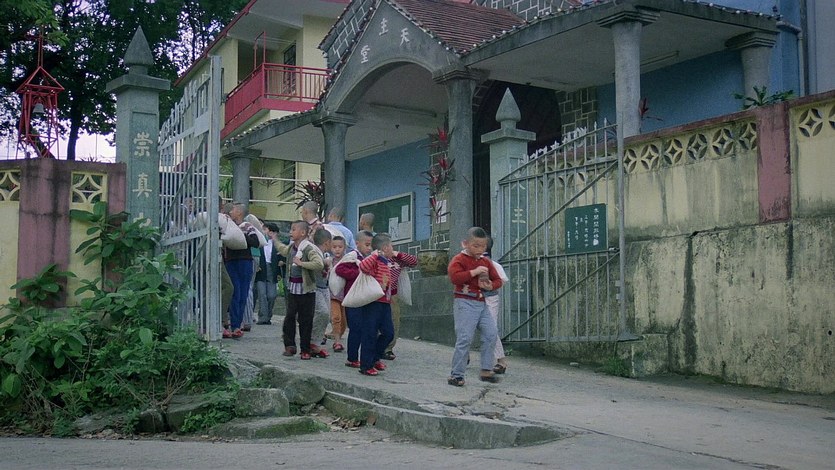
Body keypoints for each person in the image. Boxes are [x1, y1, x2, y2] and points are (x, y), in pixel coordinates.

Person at [446, 227, 503, 386]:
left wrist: (491, 285)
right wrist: (474, 272)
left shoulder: (486, 261)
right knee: (465, 338)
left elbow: (498, 280)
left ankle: (486, 370)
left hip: (481, 302)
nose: (480, 249)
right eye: (476, 246)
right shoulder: (459, 259)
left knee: (491, 333)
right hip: (464, 302)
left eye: (483, 246)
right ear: (466, 244)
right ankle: (456, 375)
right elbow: (454, 278)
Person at [275, 220, 325, 360]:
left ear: (303, 233)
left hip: (306, 290)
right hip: (293, 288)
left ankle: (305, 349)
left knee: (306, 320)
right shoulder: (292, 247)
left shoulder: (308, 248)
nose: (291, 232)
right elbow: (283, 250)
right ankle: (290, 345)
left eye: (293, 229)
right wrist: (275, 240)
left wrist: (302, 263)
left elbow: (319, 264)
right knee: (290, 317)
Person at [354, 233, 398, 377]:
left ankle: (375, 357)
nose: (392, 249)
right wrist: (374, 255)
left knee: (388, 333)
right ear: (385, 247)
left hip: (385, 303)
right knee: (370, 333)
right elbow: (363, 267)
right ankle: (366, 365)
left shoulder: (386, 262)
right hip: (373, 302)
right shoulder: (375, 260)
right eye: (391, 246)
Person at [334, 230, 374, 368]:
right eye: (367, 245)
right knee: (355, 328)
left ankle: (366, 358)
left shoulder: (370, 258)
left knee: (366, 329)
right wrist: (358, 273)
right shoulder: (352, 256)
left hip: (366, 298)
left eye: (371, 245)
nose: (369, 248)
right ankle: (352, 358)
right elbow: (340, 269)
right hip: (353, 298)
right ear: (357, 243)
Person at [223, 203, 261, 339]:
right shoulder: (226, 225)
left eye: (233, 209)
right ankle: (234, 325)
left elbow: (255, 242)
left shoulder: (247, 227)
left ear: (239, 212)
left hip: (244, 261)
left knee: (243, 293)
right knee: (235, 292)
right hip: (230, 261)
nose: (231, 212)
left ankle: (237, 325)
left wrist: (240, 236)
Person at [382, 247, 418, 361]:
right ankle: (377, 346)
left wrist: (397, 254)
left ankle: (388, 348)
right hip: (378, 296)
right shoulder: (375, 259)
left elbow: (414, 262)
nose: (388, 249)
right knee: (378, 322)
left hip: (393, 295)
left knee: (394, 321)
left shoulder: (396, 259)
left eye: (389, 246)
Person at [483, 235, 510, 374]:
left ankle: (501, 360)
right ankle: (464, 355)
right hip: (472, 299)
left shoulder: (493, 265)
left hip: (490, 299)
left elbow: (502, 280)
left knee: (490, 329)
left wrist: (490, 285)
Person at [255, 222, 283, 325]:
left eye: (266, 230)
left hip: (272, 269)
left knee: (272, 295)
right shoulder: (259, 241)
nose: (265, 232)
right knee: (262, 294)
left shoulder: (277, 244)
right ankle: (262, 317)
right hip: (261, 269)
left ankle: (268, 315)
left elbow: (282, 255)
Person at [310, 228, 332, 357]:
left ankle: (316, 342)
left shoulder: (326, 254)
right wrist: (323, 263)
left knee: (326, 315)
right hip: (315, 287)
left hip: (325, 287)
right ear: (327, 242)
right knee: (322, 312)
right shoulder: (313, 252)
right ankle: (311, 341)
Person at [327, 236, 347, 352]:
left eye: (340, 247)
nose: (337, 249)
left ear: (344, 248)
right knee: (336, 317)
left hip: (346, 295)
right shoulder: (329, 261)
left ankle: (338, 334)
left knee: (344, 320)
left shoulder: (348, 261)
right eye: (334, 247)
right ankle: (337, 341)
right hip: (333, 295)